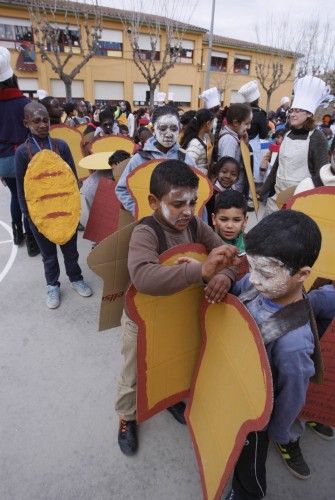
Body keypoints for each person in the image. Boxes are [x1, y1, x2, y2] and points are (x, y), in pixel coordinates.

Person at [116, 159, 240, 456]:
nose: (188, 210)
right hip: (142, 319)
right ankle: (126, 416)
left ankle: (168, 395)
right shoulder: (146, 233)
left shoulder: (196, 224)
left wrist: (224, 274)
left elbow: (224, 258)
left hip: (178, 313)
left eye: (193, 202)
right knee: (133, 370)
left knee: (174, 358)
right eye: (178, 203)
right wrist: (201, 271)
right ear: (153, 201)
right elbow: (144, 276)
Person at [226, 210, 323, 499]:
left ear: (302, 275)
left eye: (265, 273)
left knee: (248, 461)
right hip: (233, 383)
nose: (253, 280)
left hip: (257, 414)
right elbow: (240, 287)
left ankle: (246, 492)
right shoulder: (262, 287)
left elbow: (292, 395)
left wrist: (276, 430)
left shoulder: (294, 342)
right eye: (251, 268)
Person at [15, 101, 92, 309]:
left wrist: (74, 211)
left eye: (45, 120)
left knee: (71, 252)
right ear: (26, 123)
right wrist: (28, 217)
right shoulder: (23, 152)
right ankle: (52, 285)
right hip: (40, 214)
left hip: (66, 212)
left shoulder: (61, 146)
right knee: (48, 256)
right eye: (36, 121)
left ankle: (76, 278)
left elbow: (72, 180)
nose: (42, 125)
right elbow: (23, 190)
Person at [261, 76, 331, 215]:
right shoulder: (286, 134)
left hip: (301, 203)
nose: (292, 114)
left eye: (298, 111)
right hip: (276, 200)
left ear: (309, 114)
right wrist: (263, 190)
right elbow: (276, 168)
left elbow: (321, 175)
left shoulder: (317, 138)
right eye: (292, 110)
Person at [115, 105, 197, 215]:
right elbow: (122, 189)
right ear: (153, 129)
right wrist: (138, 208)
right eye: (162, 128)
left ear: (179, 129)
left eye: (173, 129)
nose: (168, 134)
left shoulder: (186, 160)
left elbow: (198, 192)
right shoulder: (140, 159)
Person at [0, 47, 39, 256]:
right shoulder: (25, 104)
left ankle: (17, 234)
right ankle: (32, 240)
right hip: (24, 158)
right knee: (28, 198)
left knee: (16, 196)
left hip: (2, 161)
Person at [214, 103, 253, 193]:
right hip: (229, 190)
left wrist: (245, 145)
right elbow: (228, 170)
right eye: (247, 123)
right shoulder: (229, 140)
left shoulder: (234, 137)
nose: (249, 127)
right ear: (235, 123)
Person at [237, 80, 268, 183]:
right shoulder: (260, 114)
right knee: (252, 172)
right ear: (258, 99)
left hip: (239, 143)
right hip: (254, 145)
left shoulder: (241, 112)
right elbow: (264, 134)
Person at [206, 156, 240, 224]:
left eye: (233, 174)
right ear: (217, 172)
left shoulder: (235, 194)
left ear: (237, 178)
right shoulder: (209, 194)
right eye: (224, 172)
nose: (228, 176)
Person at [180, 108, 213, 173]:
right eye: (212, 123)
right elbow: (188, 166)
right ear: (208, 124)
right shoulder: (195, 144)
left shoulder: (203, 139)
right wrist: (204, 171)